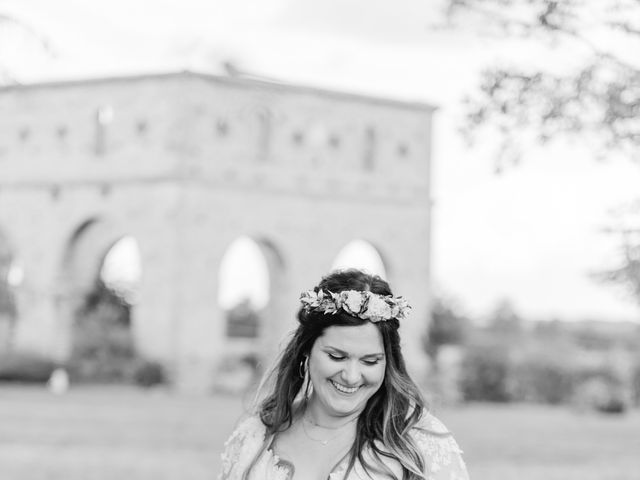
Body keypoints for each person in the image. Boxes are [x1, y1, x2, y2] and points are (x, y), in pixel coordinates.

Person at [219, 269, 469, 480]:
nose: (351, 376)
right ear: (306, 350)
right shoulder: (254, 438)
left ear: (387, 363)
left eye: (370, 361)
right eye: (337, 357)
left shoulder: (420, 444)